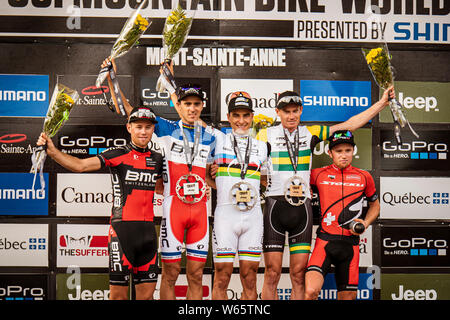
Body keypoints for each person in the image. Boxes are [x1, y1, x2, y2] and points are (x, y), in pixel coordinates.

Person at [256, 88, 394, 300]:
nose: (291, 115)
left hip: (301, 208)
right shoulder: (265, 134)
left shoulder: (310, 133)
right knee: (272, 273)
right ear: (277, 112)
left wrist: (381, 104)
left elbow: (348, 126)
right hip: (275, 206)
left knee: (298, 274)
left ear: (301, 110)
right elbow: (251, 167)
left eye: (295, 110)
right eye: (286, 111)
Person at [102, 58, 216, 300]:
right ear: (179, 106)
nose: (192, 108)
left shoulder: (212, 135)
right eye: (187, 104)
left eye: (197, 104)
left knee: (196, 275)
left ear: (201, 106)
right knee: (170, 272)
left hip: (200, 213)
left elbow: (219, 173)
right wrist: (113, 79)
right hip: (173, 210)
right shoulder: (165, 128)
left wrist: (213, 176)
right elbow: (129, 110)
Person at [37, 106, 163, 300]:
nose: (143, 131)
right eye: (138, 126)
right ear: (129, 128)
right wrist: (53, 152)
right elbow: (80, 166)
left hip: (148, 233)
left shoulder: (157, 158)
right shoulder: (118, 153)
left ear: (153, 129)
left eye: (148, 127)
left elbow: (164, 188)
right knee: (118, 297)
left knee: (146, 297)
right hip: (122, 233)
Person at [305, 130, 380, 300]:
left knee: (348, 297)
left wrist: (365, 223)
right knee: (310, 291)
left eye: (348, 150)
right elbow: (293, 182)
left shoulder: (364, 177)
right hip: (324, 243)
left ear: (353, 151)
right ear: (330, 153)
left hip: (350, 246)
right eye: (339, 151)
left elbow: (375, 205)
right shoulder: (317, 174)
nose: (344, 155)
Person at [209, 92, 269, 300]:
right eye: (236, 115)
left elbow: (267, 181)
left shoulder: (262, 147)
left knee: (250, 277)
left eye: (245, 115)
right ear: (229, 116)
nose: (241, 121)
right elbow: (204, 175)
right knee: (222, 277)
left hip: (253, 218)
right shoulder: (218, 141)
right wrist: (219, 181)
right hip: (226, 215)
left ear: (252, 116)